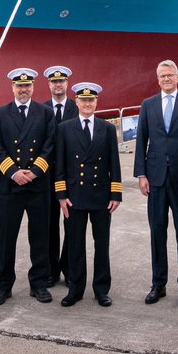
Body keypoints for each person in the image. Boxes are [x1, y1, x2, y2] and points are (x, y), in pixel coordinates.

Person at [133, 59, 178, 307]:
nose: (166, 79)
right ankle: (158, 284)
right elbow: (141, 141)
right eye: (162, 76)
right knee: (157, 232)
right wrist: (141, 174)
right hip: (156, 179)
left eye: (170, 75)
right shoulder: (148, 105)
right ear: (157, 79)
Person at [0, 67, 56, 305]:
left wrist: (35, 171)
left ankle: (39, 283)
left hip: (38, 186)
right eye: (19, 86)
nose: (23, 89)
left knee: (40, 238)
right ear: (13, 88)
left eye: (27, 86)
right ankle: (3, 285)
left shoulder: (45, 113)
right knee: (6, 239)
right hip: (10, 186)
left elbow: (50, 144)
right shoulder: (0, 114)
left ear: (33, 88)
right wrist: (14, 172)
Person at [55, 83, 122, 307]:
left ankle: (101, 289)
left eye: (91, 100)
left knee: (101, 244)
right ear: (76, 102)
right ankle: (75, 289)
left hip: (101, 195)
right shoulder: (65, 128)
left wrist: (116, 194)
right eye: (83, 101)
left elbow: (114, 162)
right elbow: (60, 164)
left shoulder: (107, 128)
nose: (87, 104)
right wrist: (61, 195)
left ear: (96, 103)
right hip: (74, 195)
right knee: (75, 245)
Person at [43, 65, 79, 288]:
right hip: (46, 177)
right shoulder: (42, 109)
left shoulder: (77, 108)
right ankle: (50, 270)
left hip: (71, 177)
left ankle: (68, 268)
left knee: (71, 224)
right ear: (49, 85)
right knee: (48, 225)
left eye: (62, 81)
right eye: (54, 82)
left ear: (67, 84)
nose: (58, 85)